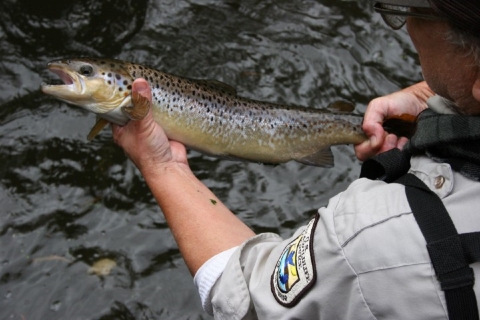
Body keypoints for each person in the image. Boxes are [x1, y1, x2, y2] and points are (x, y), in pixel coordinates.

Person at [112, 0, 480, 318]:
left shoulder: (366, 240)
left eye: (414, 10)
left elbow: (247, 303)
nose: (410, 26)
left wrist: (163, 167)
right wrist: (441, 94)